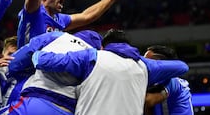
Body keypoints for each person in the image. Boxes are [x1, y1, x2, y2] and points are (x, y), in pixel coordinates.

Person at [32, 29, 189, 115]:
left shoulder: (175, 83)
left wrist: (35, 53)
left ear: (103, 47)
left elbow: (148, 101)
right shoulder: (142, 67)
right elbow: (182, 66)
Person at [2, 30, 103, 115]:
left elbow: (22, 56)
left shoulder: (58, 36)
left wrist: (6, 72)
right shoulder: (97, 58)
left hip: (35, 101)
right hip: (68, 108)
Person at [144, 45, 194, 115]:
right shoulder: (153, 83)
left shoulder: (174, 81)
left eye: (148, 62)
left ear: (161, 64)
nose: (144, 65)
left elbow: (149, 101)